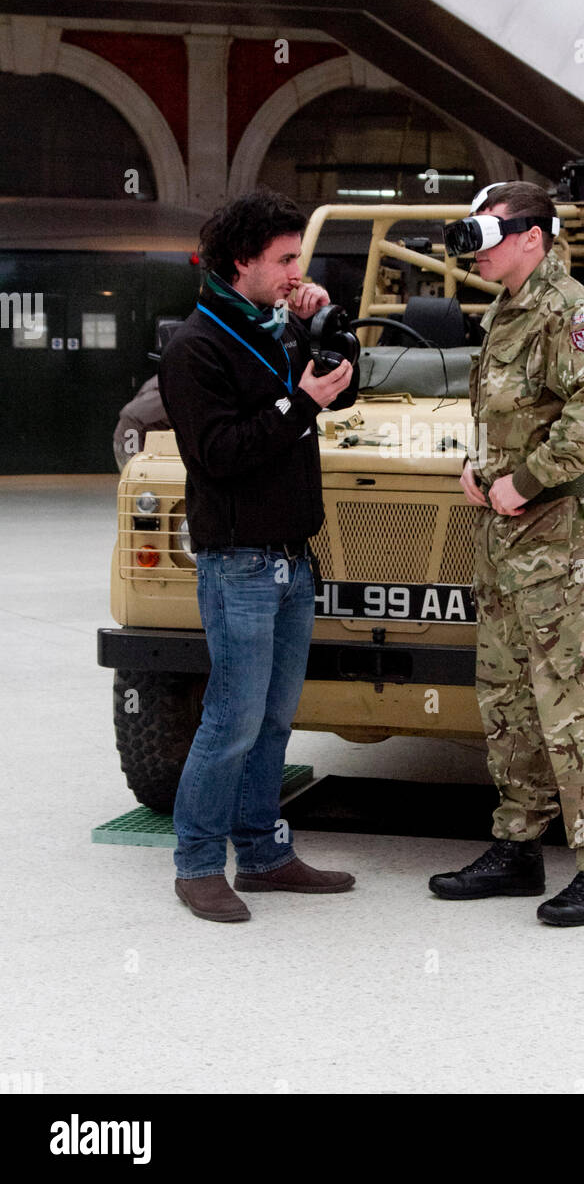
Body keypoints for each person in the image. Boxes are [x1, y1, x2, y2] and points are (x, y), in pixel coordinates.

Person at [428, 182, 584, 927]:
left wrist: (527, 479)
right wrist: (480, 468)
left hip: (559, 542)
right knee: (509, 698)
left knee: (573, 703)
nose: (479, 250)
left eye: (491, 234)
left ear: (533, 236)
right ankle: (517, 847)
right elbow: (516, 416)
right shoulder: (508, 311)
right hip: (504, 541)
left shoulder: (570, 311)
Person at [158, 189, 359, 923]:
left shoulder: (276, 329)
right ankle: (199, 862)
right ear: (241, 262)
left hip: (290, 560)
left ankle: (266, 854)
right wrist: (297, 403)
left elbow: (341, 392)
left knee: (274, 721)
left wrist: (327, 328)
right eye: (283, 259)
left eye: (297, 257)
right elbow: (218, 454)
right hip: (238, 564)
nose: (294, 270)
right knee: (231, 720)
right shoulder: (196, 346)